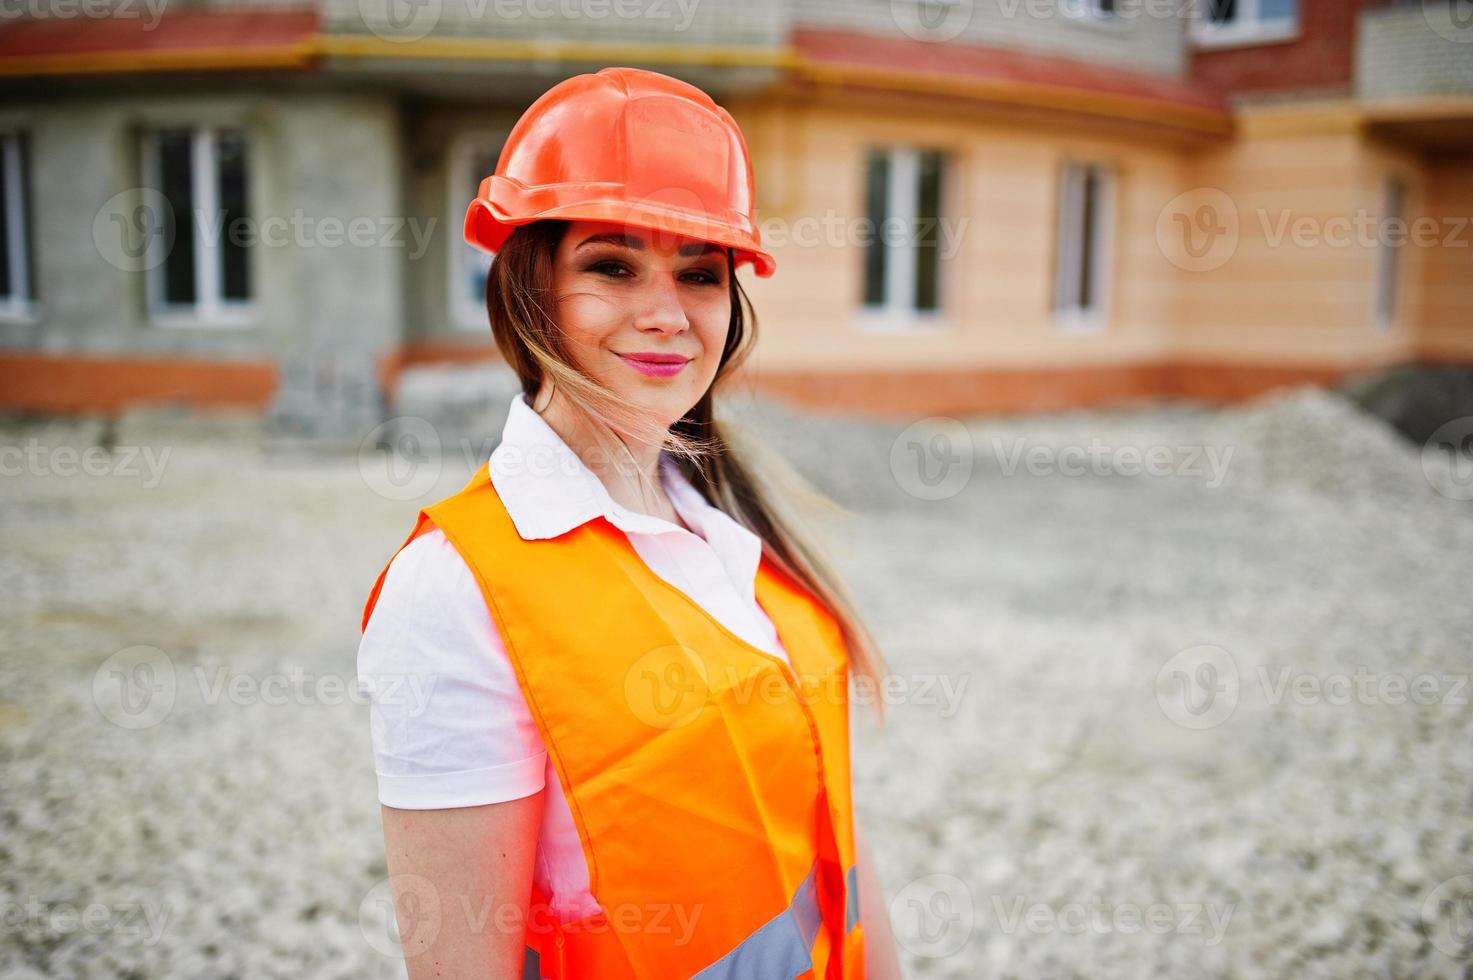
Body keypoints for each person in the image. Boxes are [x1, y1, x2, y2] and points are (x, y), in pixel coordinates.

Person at [357, 66, 903, 979]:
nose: (666, 315)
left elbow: (835, 836)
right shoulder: (455, 589)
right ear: (530, 290)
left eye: (700, 275)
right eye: (612, 266)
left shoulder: (726, 527)